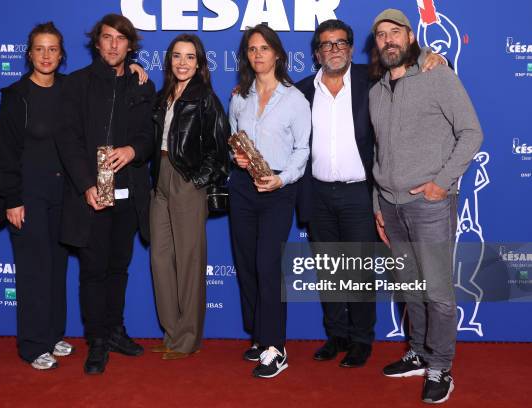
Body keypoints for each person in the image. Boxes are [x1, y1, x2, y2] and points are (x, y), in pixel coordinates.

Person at [295, 20, 446, 368]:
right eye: (326, 44)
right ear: (317, 53)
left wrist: (432, 57)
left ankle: (362, 340)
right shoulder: (302, 91)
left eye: (341, 42)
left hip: (359, 193)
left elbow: (411, 68)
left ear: (350, 48)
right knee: (330, 269)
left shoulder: (372, 80)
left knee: (360, 270)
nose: (334, 49)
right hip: (316, 192)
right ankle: (337, 335)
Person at [369, 9, 483, 404]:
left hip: (429, 205)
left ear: (411, 36)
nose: (388, 40)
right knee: (410, 287)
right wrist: (378, 203)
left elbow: (471, 133)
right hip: (391, 204)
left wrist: (441, 184)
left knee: (436, 290)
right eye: (381, 35)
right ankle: (417, 351)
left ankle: (441, 367)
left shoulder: (437, 75)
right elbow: (378, 153)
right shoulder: (376, 91)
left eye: (394, 32)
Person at [55, 13, 155, 375]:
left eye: (121, 39)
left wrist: (132, 150)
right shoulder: (76, 84)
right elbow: (68, 140)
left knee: (119, 268)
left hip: (130, 191)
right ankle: (96, 340)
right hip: (91, 193)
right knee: (93, 270)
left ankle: (115, 330)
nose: (114, 45)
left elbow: (149, 134)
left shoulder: (143, 84)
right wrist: (86, 185)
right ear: (97, 42)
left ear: (130, 45)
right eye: (107, 38)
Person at [229, 24, 311, 379]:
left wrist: (282, 178)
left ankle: (276, 347)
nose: (258, 54)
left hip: (278, 188)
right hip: (243, 187)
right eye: (252, 49)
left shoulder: (294, 99)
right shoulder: (239, 96)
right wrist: (238, 159)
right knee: (246, 264)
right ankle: (260, 337)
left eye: (264, 48)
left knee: (268, 265)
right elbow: (234, 139)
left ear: (277, 53)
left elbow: (303, 149)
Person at [0, 21, 72, 370]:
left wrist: (134, 69)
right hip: (28, 196)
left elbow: (106, 84)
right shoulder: (16, 96)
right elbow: (4, 153)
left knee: (56, 269)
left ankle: (53, 334)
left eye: (52, 49)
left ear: (61, 54)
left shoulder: (71, 89)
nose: (46, 55)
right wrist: (11, 199)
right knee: (33, 272)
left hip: (64, 195)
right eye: (39, 48)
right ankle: (31, 344)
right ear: (29, 54)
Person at [149, 34, 229, 360]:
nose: (183, 63)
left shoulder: (206, 98)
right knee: (160, 260)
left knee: (189, 263)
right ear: (169, 60)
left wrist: (196, 181)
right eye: (177, 56)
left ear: (199, 63)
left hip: (186, 181)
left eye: (190, 57)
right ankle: (171, 334)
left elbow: (220, 152)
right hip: (160, 180)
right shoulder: (162, 96)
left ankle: (188, 339)